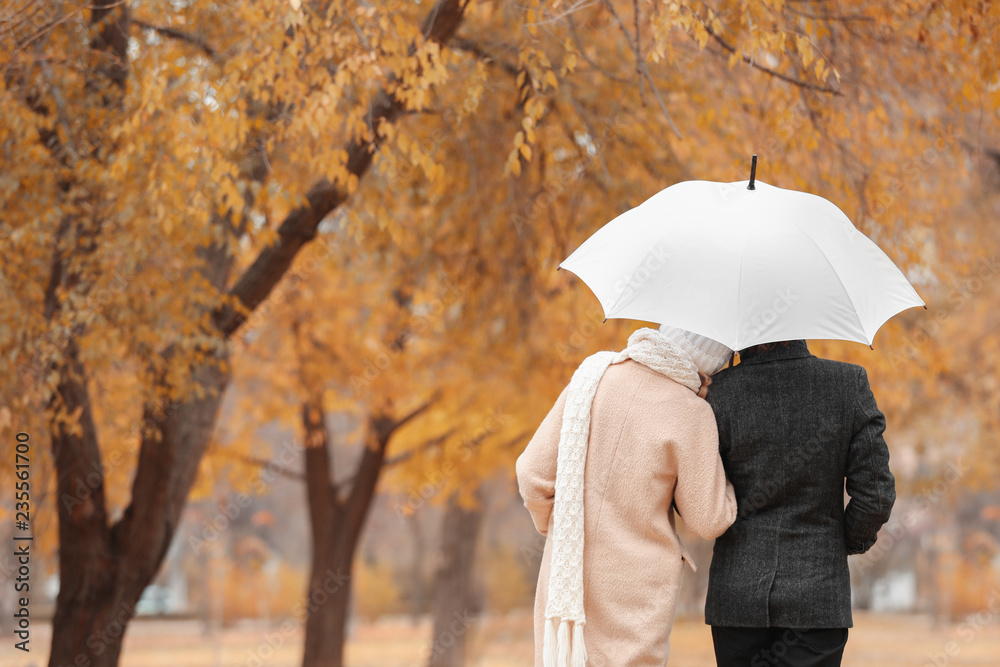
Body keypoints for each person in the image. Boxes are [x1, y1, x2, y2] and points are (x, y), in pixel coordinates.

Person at [516, 324, 738, 666]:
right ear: (712, 362)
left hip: (565, 584)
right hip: (636, 593)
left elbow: (532, 473)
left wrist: (564, 530)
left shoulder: (593, 376)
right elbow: (709, 519)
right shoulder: (692, 413)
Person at [704, 340, 896, 667]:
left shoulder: (717, 393)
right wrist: (838, 544)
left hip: (737, 597)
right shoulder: (848, 384)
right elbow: (875, 494)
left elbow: (698, 497)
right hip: (817, 597)